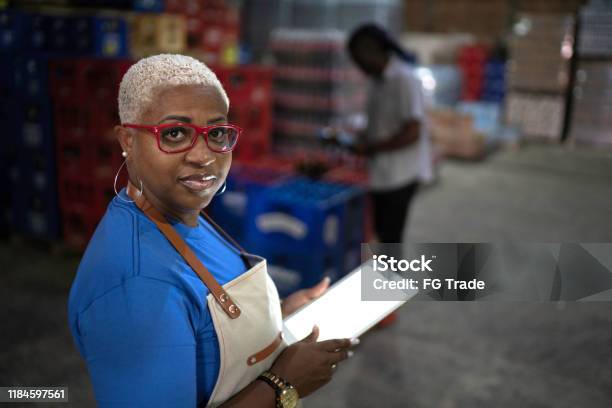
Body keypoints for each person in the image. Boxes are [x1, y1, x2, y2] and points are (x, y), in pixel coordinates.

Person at [67, 54, 356, 408]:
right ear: (127, 139)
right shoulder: (137, 288)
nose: (204, 156)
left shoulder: (184, 212)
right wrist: (284, 385)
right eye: (174, 134)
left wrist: (279, 314)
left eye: (216, 132)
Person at [347, 23, 433, 243]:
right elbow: (380, 124)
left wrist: (371, 147)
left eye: (358, 58)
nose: (357, 65)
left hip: (400, 175)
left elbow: (412, 132)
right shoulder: (376, 82)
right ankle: (384, 276)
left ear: (370, 50)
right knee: (382, 236)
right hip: (382, 173)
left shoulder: (404, 79)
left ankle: (390, 278)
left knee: (391, 239)